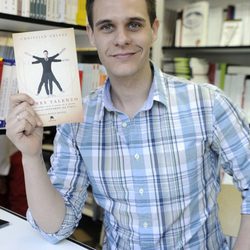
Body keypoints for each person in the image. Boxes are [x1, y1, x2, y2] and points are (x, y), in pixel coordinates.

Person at [5, 0, 250, 249]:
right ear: (91, 34)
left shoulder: (207, 104)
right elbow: (55, 228)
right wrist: (31, 155)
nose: (121, 39)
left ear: (153, 29)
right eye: (107, 27)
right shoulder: (77, 121)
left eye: (134, 24)